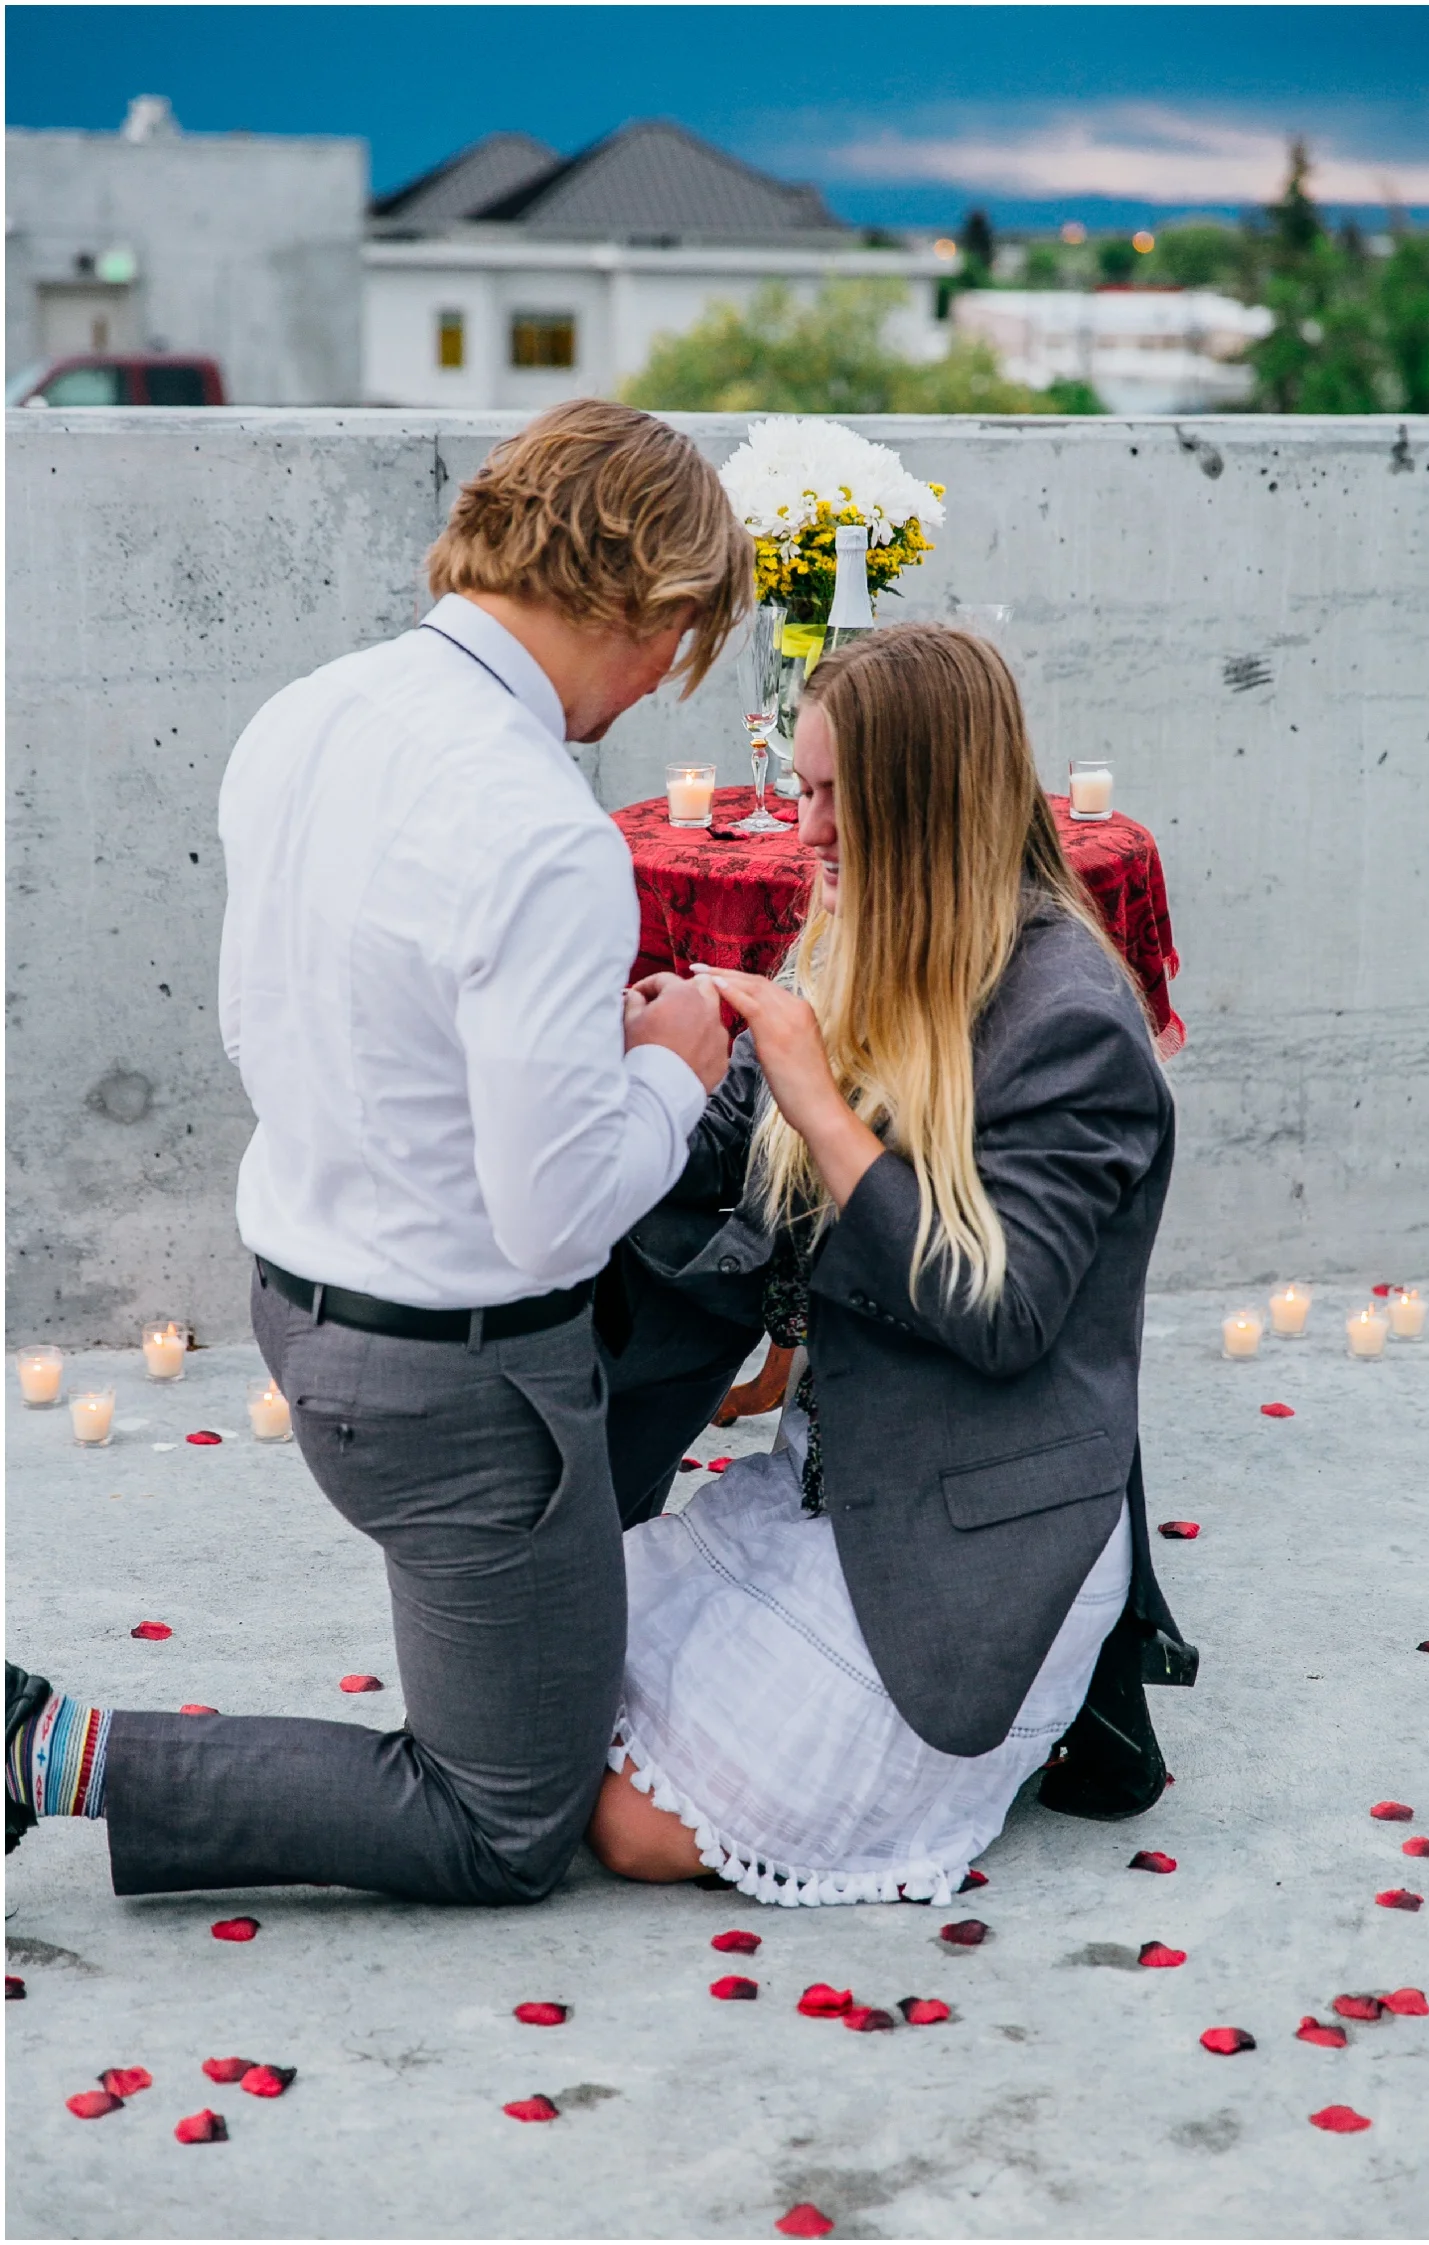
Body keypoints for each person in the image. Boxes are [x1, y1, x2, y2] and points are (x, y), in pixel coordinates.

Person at [7, 400, 753, 1907]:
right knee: (504, 1821)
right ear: (656, 608)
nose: (664, 686)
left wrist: (560, 1057)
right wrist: (670, 1076)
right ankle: (47, 1751)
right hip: (456, 1382)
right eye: (684, 648)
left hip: (306, 1296)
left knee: (680, 1330)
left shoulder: (310, 711)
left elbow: (284, 1015)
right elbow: (551, 1226)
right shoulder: (545, 829)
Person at [589, 623, 1193, 1907]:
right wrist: (651, 1069)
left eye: (829, 799)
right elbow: (743, 1147)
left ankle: (1032, 1713)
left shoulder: (1070, 1017)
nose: (802, 833)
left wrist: (814, 1097)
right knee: (539, 1694)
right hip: (832, 1486)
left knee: (632, 1829)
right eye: (799, 790)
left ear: (927, 804)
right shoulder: (862, 929)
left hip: (980, 1541)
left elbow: (1006, 1313)